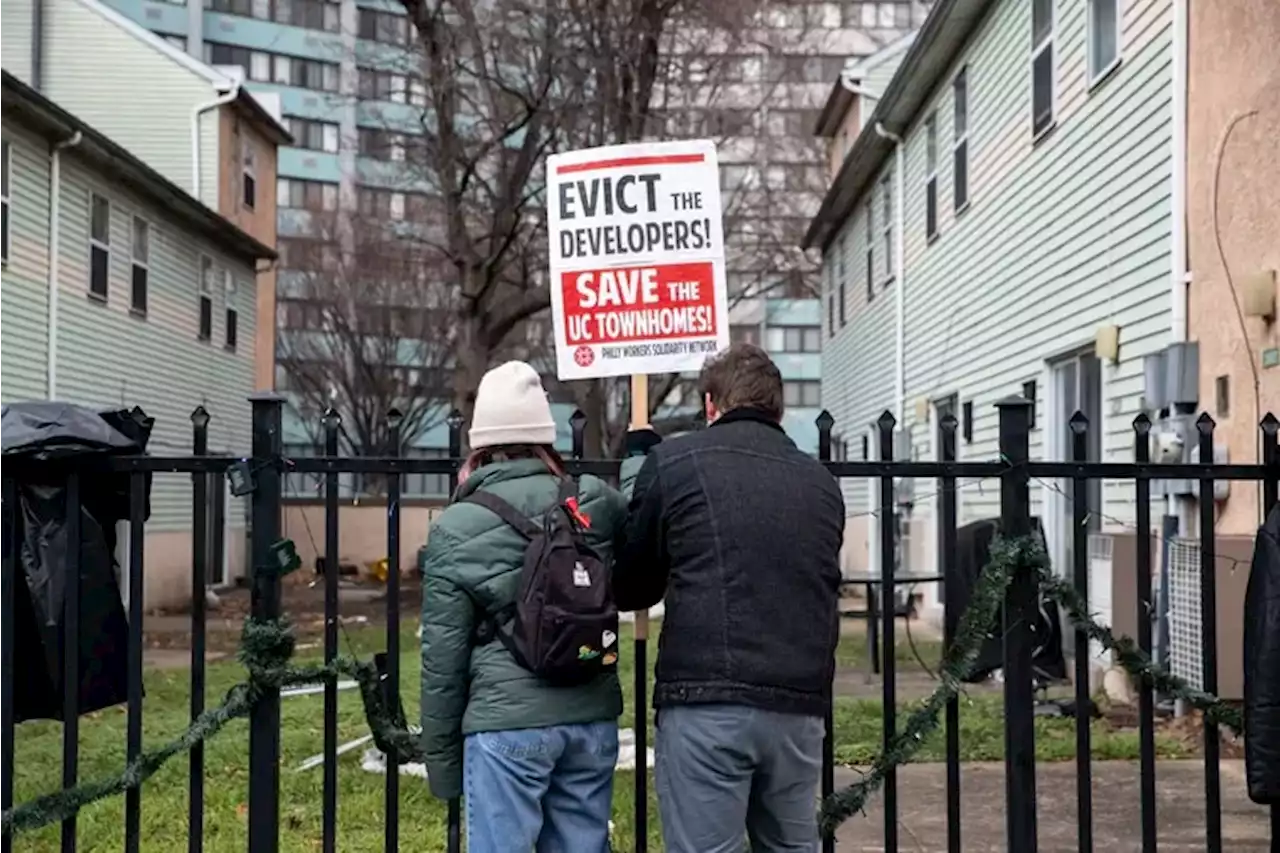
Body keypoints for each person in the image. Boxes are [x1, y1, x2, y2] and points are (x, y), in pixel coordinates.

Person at [615, 342, 846, 853]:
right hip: (798, 707)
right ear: (778, 408)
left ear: (710, 403)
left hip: (706, 700)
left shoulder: (673, 462)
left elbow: (633, 586)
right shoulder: (821, 484)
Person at [418, 360, 641, 853]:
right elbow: (640, 522)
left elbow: (443, 665)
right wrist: (640, 464)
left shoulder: (454, 528)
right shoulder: (594, 503)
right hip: (589, 717)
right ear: (547, 438)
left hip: (505, 728)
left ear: (479, 446)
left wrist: (444, 769)